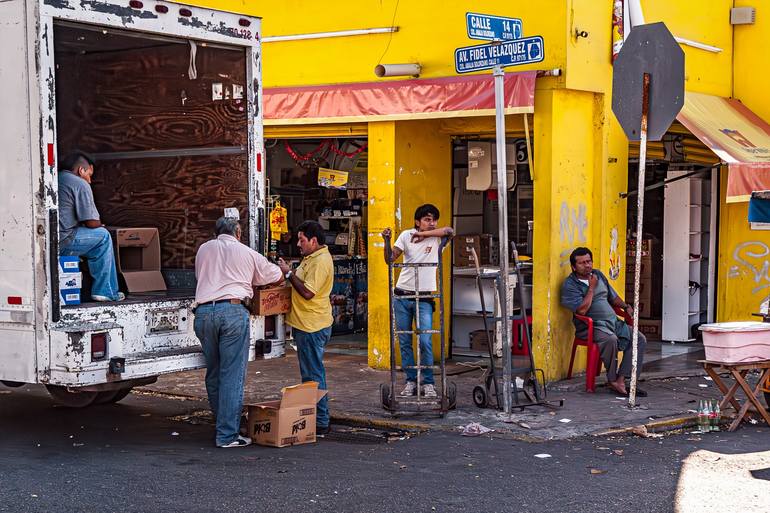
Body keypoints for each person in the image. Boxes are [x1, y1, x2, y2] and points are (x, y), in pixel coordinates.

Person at [194, 217, 282, 448]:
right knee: (232, 375)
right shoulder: (246, 252)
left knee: (214, 373)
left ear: (216, 232)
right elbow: (275, 275)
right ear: (239, 233)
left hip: (203, 313)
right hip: (232, 312)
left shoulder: (203, 249)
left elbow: (201, 276)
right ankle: (227, 435)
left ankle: (222, 422)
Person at [381, 204, 453, 398]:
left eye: (434, 219)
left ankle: (428, 383)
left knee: (425, 340)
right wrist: (386, 241)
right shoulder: (405, 235)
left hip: (425, 298)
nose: (432, 223)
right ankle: (411, 381)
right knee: (405, 341)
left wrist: (424, 235)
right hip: (402, 295)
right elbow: (390, 258)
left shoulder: (438, 238)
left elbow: (450, 231)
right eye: (427, 219)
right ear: (417, 221)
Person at [560, 247, 647, 397]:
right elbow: (581, 311)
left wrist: (626, 306)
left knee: (639, 338)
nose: (587, 265)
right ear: (574, 267)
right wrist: (591, 289)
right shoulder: (570, 285)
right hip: (590, 326)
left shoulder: (598, 275)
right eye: (582, 263)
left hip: (612, 322)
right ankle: (612, 379)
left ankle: (623, 379)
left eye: (589, 261)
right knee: (610, 339)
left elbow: (613, 297)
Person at [278, 220, 334, 435]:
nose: (298, 244)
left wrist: (289, 274)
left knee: (313, 375)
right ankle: (314, 417)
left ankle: (321, 421)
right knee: (309, 374)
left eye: (302, 240)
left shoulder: (321, 261)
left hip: (313, 325)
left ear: (314, 240)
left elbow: (308, 293)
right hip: (305, 324)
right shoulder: (310, 258)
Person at [57, 151, 123, 302]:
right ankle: (105, 291)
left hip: (50, 239)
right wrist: (101, 225)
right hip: (64, 240)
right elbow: (92, 223)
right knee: (103, 236)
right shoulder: (79, 182)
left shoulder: (58, 178)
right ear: (81, 170)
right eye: (89, 175)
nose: (90, 181)